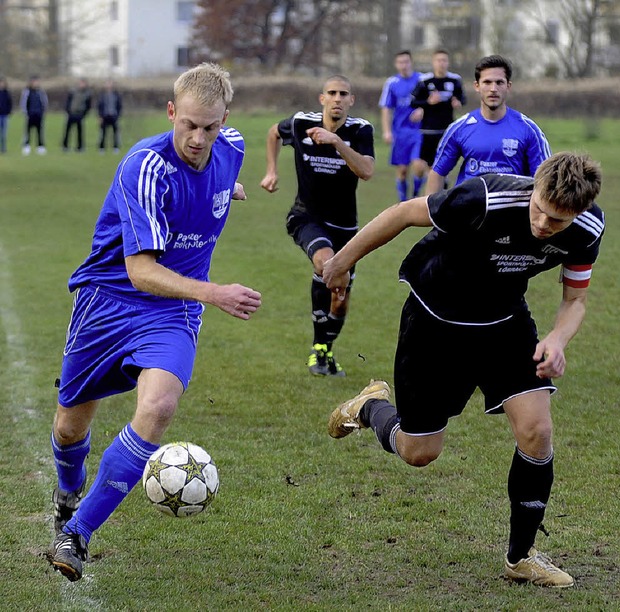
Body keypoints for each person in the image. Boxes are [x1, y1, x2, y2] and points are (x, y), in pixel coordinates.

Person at [323, 152, 604, 588]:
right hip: (434, 321)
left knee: (537, 431)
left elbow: (575, 300)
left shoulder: (587, 228)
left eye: (559, 222)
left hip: (505, 324)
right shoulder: (486, 197)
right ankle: (369, 407)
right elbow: (403, 212)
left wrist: (556, 339)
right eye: (541, 211)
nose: (545, 226)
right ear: (535, 190)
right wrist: (342, 262)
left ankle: (521, 556)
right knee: (420, 453)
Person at [46, 63, 261, 582]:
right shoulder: (144, 166)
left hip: (173, 311)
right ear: (171, 112)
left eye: (209, 127)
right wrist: (216, 293)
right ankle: (67, 490)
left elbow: (217, 167)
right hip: (109, 299)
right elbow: (140, 271)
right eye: (188, 124)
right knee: (70, 426)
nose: (197, 137)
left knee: (160, 404)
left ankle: (77, 534)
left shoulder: (230, 146)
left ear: (224, 120)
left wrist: (223, 189)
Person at [260, 75, 374, 377]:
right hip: (306, 217)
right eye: (332, 93)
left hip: (346, 226)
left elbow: (366, 171)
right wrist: (272, 171)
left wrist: (337, 142)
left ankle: (323, 349)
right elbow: (273, 133)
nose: (337, 98)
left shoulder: (360, 130)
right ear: (322, 98)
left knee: (341, 292)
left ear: (351, 100)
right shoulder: (300, 123)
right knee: (327, 265)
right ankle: (321, 351)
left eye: (343, 94)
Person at [425, 55, 551, 195]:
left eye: (499, 82)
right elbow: (437, 173)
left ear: (508, 86)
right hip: (470, 212)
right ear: (477, 86)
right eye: (487, 82)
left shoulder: (529, 129)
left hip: (513, 212)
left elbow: (544, 180)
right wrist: (429, 214)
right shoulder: (459, 129)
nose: (493, 89)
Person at [409, 48, 465, 183]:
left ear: (448, 62)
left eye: (444, 60)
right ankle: (426, 193)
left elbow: (462, 98)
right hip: (428, 129)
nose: (441, 63)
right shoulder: (425, 80)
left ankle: (439, 194)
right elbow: (413, 102)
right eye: (438, 60)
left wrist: (458, 102)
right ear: (433, 62)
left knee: (443, 165)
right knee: (425, 166)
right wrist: (427, 103)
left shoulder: (455, 79)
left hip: (447, 129)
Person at [379, 50, 426, 201]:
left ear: (411, 62)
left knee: (419, 166)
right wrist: (387, 131)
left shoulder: (422, 80)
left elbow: (432, 102)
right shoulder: (392, 83)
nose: (403, 65)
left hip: (419, 131)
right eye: (400, 62)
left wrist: (423, 110)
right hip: (400, 132)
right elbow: (386, 108)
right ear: (396, 64)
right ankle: (403, 201)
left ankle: (415, 195)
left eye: (406, 62)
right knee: (403, 170)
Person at [19, 76, 48, 155]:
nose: (35, 83)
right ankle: (26, 146)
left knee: (40, 132)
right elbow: (23, 102)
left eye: (37, 82)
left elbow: (44, 102)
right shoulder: (27, 91)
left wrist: (43, 112)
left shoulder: (41, 92)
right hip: (30, 114)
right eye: (34, 82)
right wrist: (25, 112)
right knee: (27, 132)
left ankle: (40, 147)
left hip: (39, 114)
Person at [62, 78, 92, 152]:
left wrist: (84, 114)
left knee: (80, 132)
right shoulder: (73, 91)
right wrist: (67, 111)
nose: (81, 85)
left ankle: (79, 147)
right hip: (71, 113)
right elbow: (68, 102)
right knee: (67, 131)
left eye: (83, 83)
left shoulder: (87, 93)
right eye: (80, 83)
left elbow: (88, 105)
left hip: (80, 114)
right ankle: (65, 146)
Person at [97, 79, 123, 153]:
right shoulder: (102, 95)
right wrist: (100, 116)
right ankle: (102, 148)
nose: (109, 86)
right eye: (107, 84)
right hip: (104, 116)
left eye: (110, 84)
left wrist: (118, 115)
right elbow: (99, 106)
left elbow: (119, 106)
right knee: (103, 133)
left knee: (115, 133)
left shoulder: (116, 95)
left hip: (114, 116)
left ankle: (116, 147)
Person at [0, 76, 12, 154]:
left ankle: (3, 149)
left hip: (5, 115)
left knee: (4, 134)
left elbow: (10, 103)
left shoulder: (7, 93)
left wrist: (8, 112)